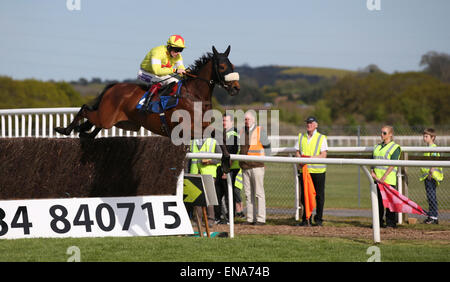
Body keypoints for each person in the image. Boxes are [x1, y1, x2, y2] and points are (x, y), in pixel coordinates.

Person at [295, 116, 328, 226]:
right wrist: (300, 159)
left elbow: (323, 155)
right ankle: (305, 219)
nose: (309, 125)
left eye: (311, 123)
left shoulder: (321, 137)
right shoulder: (300, 136)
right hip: (305, 172)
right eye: (307, 123)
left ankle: (318, 219)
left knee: (319, 196)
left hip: (318, 172)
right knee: (304, 196)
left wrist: (308, 159)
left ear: (316, 125)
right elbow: (297, 152)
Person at [239, 111, 271, 225]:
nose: (246, 121)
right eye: (245, 119)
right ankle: (250, 218)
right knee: (248, 194)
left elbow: (268, 148)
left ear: (253, 120)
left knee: (259, 193)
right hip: (245, 166)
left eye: (248, 119)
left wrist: (265, 160)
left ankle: (261, 219)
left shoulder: (260, 130)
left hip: (257, 165)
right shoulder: (242, 131)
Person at [370, 125, 401, 228]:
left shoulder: (395, 147)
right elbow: (372, 160)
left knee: (390, 203)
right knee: (378, 202)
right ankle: (378, 222)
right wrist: (372, 171)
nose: (381, 135)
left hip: (388, 179)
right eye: (381, 132)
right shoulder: (377, 146)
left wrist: (384, 176)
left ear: (390, 134)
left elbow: (393, 163)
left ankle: (391, 223)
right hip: (377, 179)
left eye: (384, 133)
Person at [214, 113, 242, 224]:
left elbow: (232, 154)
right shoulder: (224, 133)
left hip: (230, 169)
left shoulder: (233, 134)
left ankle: (230, 218)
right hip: (223, 168)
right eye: (223, 121)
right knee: (218, 193)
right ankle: (218, 217)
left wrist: (226, 170)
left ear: (232, 122)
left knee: (228, 194)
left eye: (226, 121)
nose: (224, 123)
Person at [189, 137, 222, 227]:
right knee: (196, 197)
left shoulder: (213, 141)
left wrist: (210, 161)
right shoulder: (193, 141)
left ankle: (210, 219)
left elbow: (220, 157)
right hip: (195, 172)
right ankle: (197, 219)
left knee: (209, 197)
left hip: (209, 172)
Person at [420, 128, 444, 224]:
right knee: (429, 196)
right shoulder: (427, 147)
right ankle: (431, 216)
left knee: (431, 196)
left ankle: (434, 217)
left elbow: (435, 159)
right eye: (424, 136)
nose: (424, 138)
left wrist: (431, 172)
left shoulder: (433, 147)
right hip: (427, 176)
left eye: (426, 136)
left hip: (432, 176)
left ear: (432, 137)